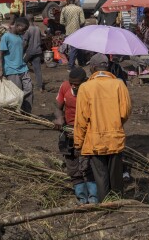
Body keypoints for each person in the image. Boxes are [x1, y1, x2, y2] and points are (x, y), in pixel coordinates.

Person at [74, 53, 132, 203]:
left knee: (100, 176)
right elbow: (125, 111)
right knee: (116, 174)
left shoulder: (85, 87)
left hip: (94, 139)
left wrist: (78, 143)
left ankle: (105, 203)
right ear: (107, 67)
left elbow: (81, 119)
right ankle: (118, 201)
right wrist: (115, 124)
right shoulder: (119, 84)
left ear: (92, 68)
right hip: (115, 137)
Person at [53, 67, 97, 204]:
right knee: (71, 162)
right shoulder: (65, 86)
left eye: (76, 84)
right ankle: (81, 196)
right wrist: (59, 118)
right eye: (71, 83)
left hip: (86, 131)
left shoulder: (91, 89)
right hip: (68, 130)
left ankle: (94, 196)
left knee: (88, 163)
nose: (73, 86)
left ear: (85, 81)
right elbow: (58, 108)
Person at [0, 17, 33, 113]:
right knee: (16, 93)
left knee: (29, 89)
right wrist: (1, 70)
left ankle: (26, 112)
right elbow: (0, 54)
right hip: (11, 69)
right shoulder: (6, 37)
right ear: (18, 26)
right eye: (24, 28)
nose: (25, 31)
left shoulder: (20, 37)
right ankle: (16, 113)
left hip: (23, 68)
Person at [60, 0, 86, 69]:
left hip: (68, 31)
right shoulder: (79, 9)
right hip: (77, 31)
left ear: (67, 2)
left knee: (76, 47)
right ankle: (70, 65)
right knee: (74, 48)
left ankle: (81, 62)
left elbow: (61, 21)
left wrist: (67, 24)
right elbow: (83, 21)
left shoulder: (64, 9)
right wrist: (78, 24)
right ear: (74, 1)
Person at [22, 14, 44, 92]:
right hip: (38, 51)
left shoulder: (27, 30)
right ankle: (40, 87)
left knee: (21, 64)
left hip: (29, 51)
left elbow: (25, 43)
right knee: (37, 69)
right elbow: (42, 37)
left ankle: (21, 83)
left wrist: (21, 51)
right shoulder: (37, 28)